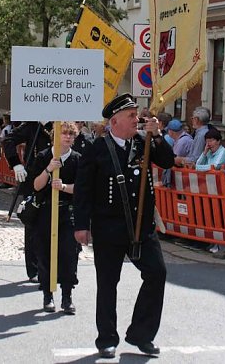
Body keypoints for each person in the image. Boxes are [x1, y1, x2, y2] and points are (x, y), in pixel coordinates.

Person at [74, 93, 175, 359]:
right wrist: (81, 225)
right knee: (108, 284)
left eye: (136, 115)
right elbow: (83, 190)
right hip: (109, 228)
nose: (137, 120)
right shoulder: (97, 149)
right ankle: (106, 339)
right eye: (131, 116)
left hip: (142, 227)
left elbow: (167, 161)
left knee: (157, 273)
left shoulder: (145, 141)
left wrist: (159, 135)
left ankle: (142, 334)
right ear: (114, 121)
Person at [28, 121, 81, 314]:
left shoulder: (76, 159)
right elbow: (35, 185)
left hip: (68, 212)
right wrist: (48, 169)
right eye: (64, 134)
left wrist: (64, 187)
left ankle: (67, 297)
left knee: (68, 254)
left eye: (71, 134)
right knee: (45, 255)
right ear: (55, 136)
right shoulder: (43, 156)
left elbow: (82, 189)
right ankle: (48, 295)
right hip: (45, 212)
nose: (67, 137)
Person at [3, 120, 52, 282]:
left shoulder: (62, 124)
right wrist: (16, 164)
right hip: (34, 179)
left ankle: (55, 266)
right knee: (33, 224)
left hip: (59, 179)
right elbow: (8, 140)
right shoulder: (33, 126)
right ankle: (34, 268)